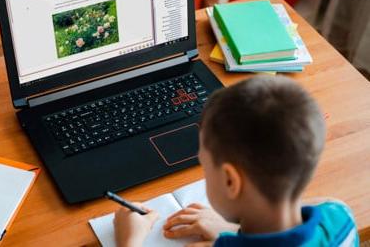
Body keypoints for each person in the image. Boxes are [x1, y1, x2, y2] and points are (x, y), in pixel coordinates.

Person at [114, 76, 358, 246]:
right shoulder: (340, 218)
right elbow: (329, 202)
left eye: (205, 166)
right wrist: (233, 231)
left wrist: (130, 241)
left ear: (231, 181)